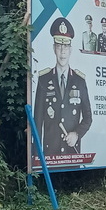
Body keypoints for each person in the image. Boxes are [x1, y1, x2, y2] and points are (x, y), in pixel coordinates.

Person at [33, 17, 92, 157]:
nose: (62, 51)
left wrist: (77, 134)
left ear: (70, 49)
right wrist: (36, 157)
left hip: (72, 153)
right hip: (49, 153)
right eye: (59, 46)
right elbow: (37, 122)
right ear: (54, 48)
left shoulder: (80, 81)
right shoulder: (43, 79)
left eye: (65, 46)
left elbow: (88, 117)